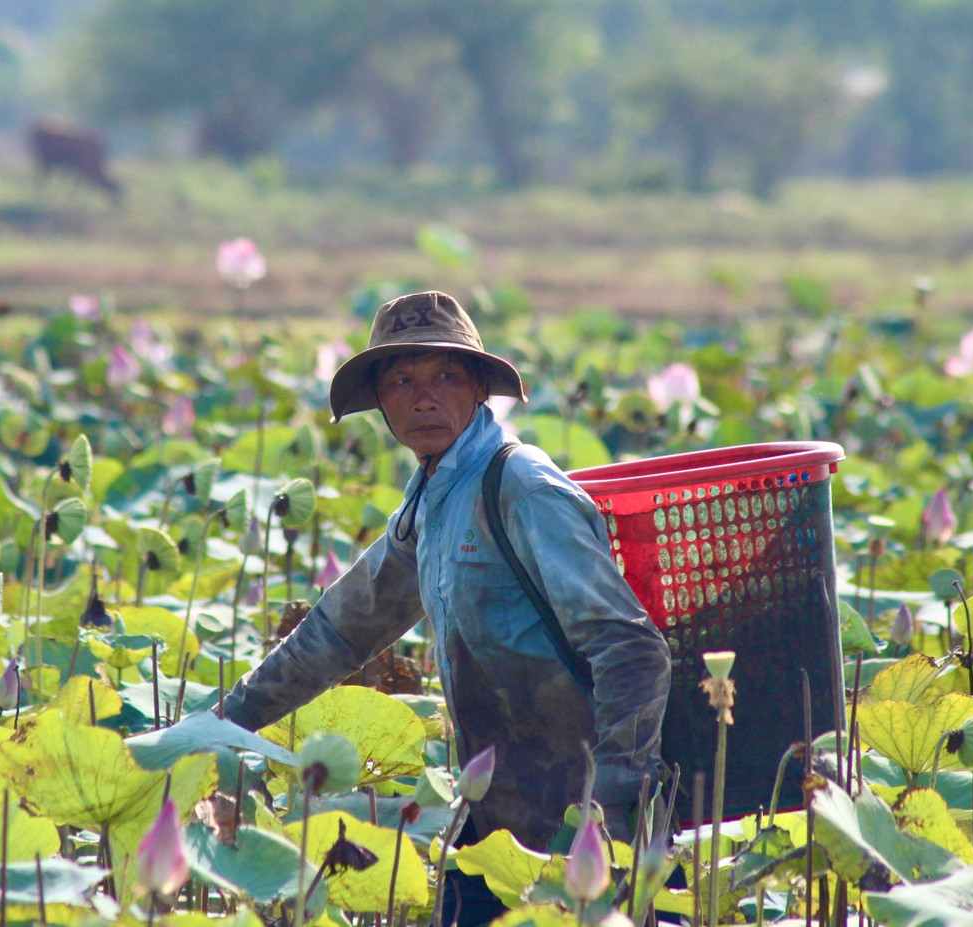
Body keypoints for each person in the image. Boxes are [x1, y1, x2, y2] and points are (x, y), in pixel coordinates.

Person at [222, 291, 670, 924]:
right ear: (379, 401)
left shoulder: (519, 487)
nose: (422, 397)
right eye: (402, 380)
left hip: (580, 823)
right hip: (492, 823)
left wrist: (615, 805)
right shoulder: (428, 501)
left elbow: (631, 648)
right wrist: (222, 721)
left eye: (444, 376)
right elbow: (336, 634)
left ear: (478, 390)